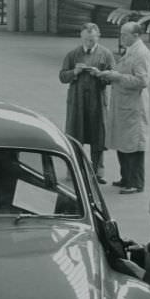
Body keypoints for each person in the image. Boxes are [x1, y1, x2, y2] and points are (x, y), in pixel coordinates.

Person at [99, 21, 150, 194]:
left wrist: (117, 76)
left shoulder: (141, 54)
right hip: (123, 102)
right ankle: (126, 178)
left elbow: (142, 81)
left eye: (125, 35)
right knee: (123, 142)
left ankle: (135, 183)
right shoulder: (130, 50)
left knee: (133, 145)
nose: (121, 37)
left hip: (133, 105)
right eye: (121, 34)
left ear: (136, 36)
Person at [58, 23, 115, 182]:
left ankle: (97, 172)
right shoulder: (73, 54)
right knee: (75, 135)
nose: (89, 42)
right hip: (77, 102)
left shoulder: (106, 54)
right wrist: (74, 72)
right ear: (81, 38)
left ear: (98, 37)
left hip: (97, 101)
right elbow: (62, 77)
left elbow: (113, 77)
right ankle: (74, 171)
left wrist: (101, 74)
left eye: (92, 39)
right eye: (86, 39)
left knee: (98, 136)